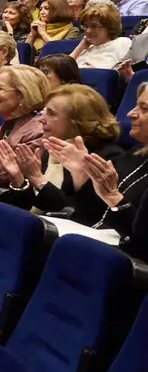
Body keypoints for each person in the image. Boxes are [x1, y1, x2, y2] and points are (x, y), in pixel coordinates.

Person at [22, 84, 148, 249]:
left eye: (144, 109)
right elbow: (88, 214)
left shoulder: (106, 156)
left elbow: (140, 239)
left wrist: (112, 196)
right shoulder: (134, 155)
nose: (130, 113)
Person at [0, 84, 123, 217]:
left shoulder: (105, 157)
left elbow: (72, 213)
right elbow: (25, 206)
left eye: (51, 114)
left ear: (77, 121)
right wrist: (18, 179)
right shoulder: (51, 149)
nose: (41, 119)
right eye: (43, 111)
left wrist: (39, 180)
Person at [72, 2, 132, 69]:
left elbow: (121, 73)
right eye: (86, 26)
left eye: (94, 26)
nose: (88, 31)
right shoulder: (85, 48)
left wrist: (96, 72)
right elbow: (62, 69)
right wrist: (79, 48)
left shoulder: (122, 43)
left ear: (109, 27)